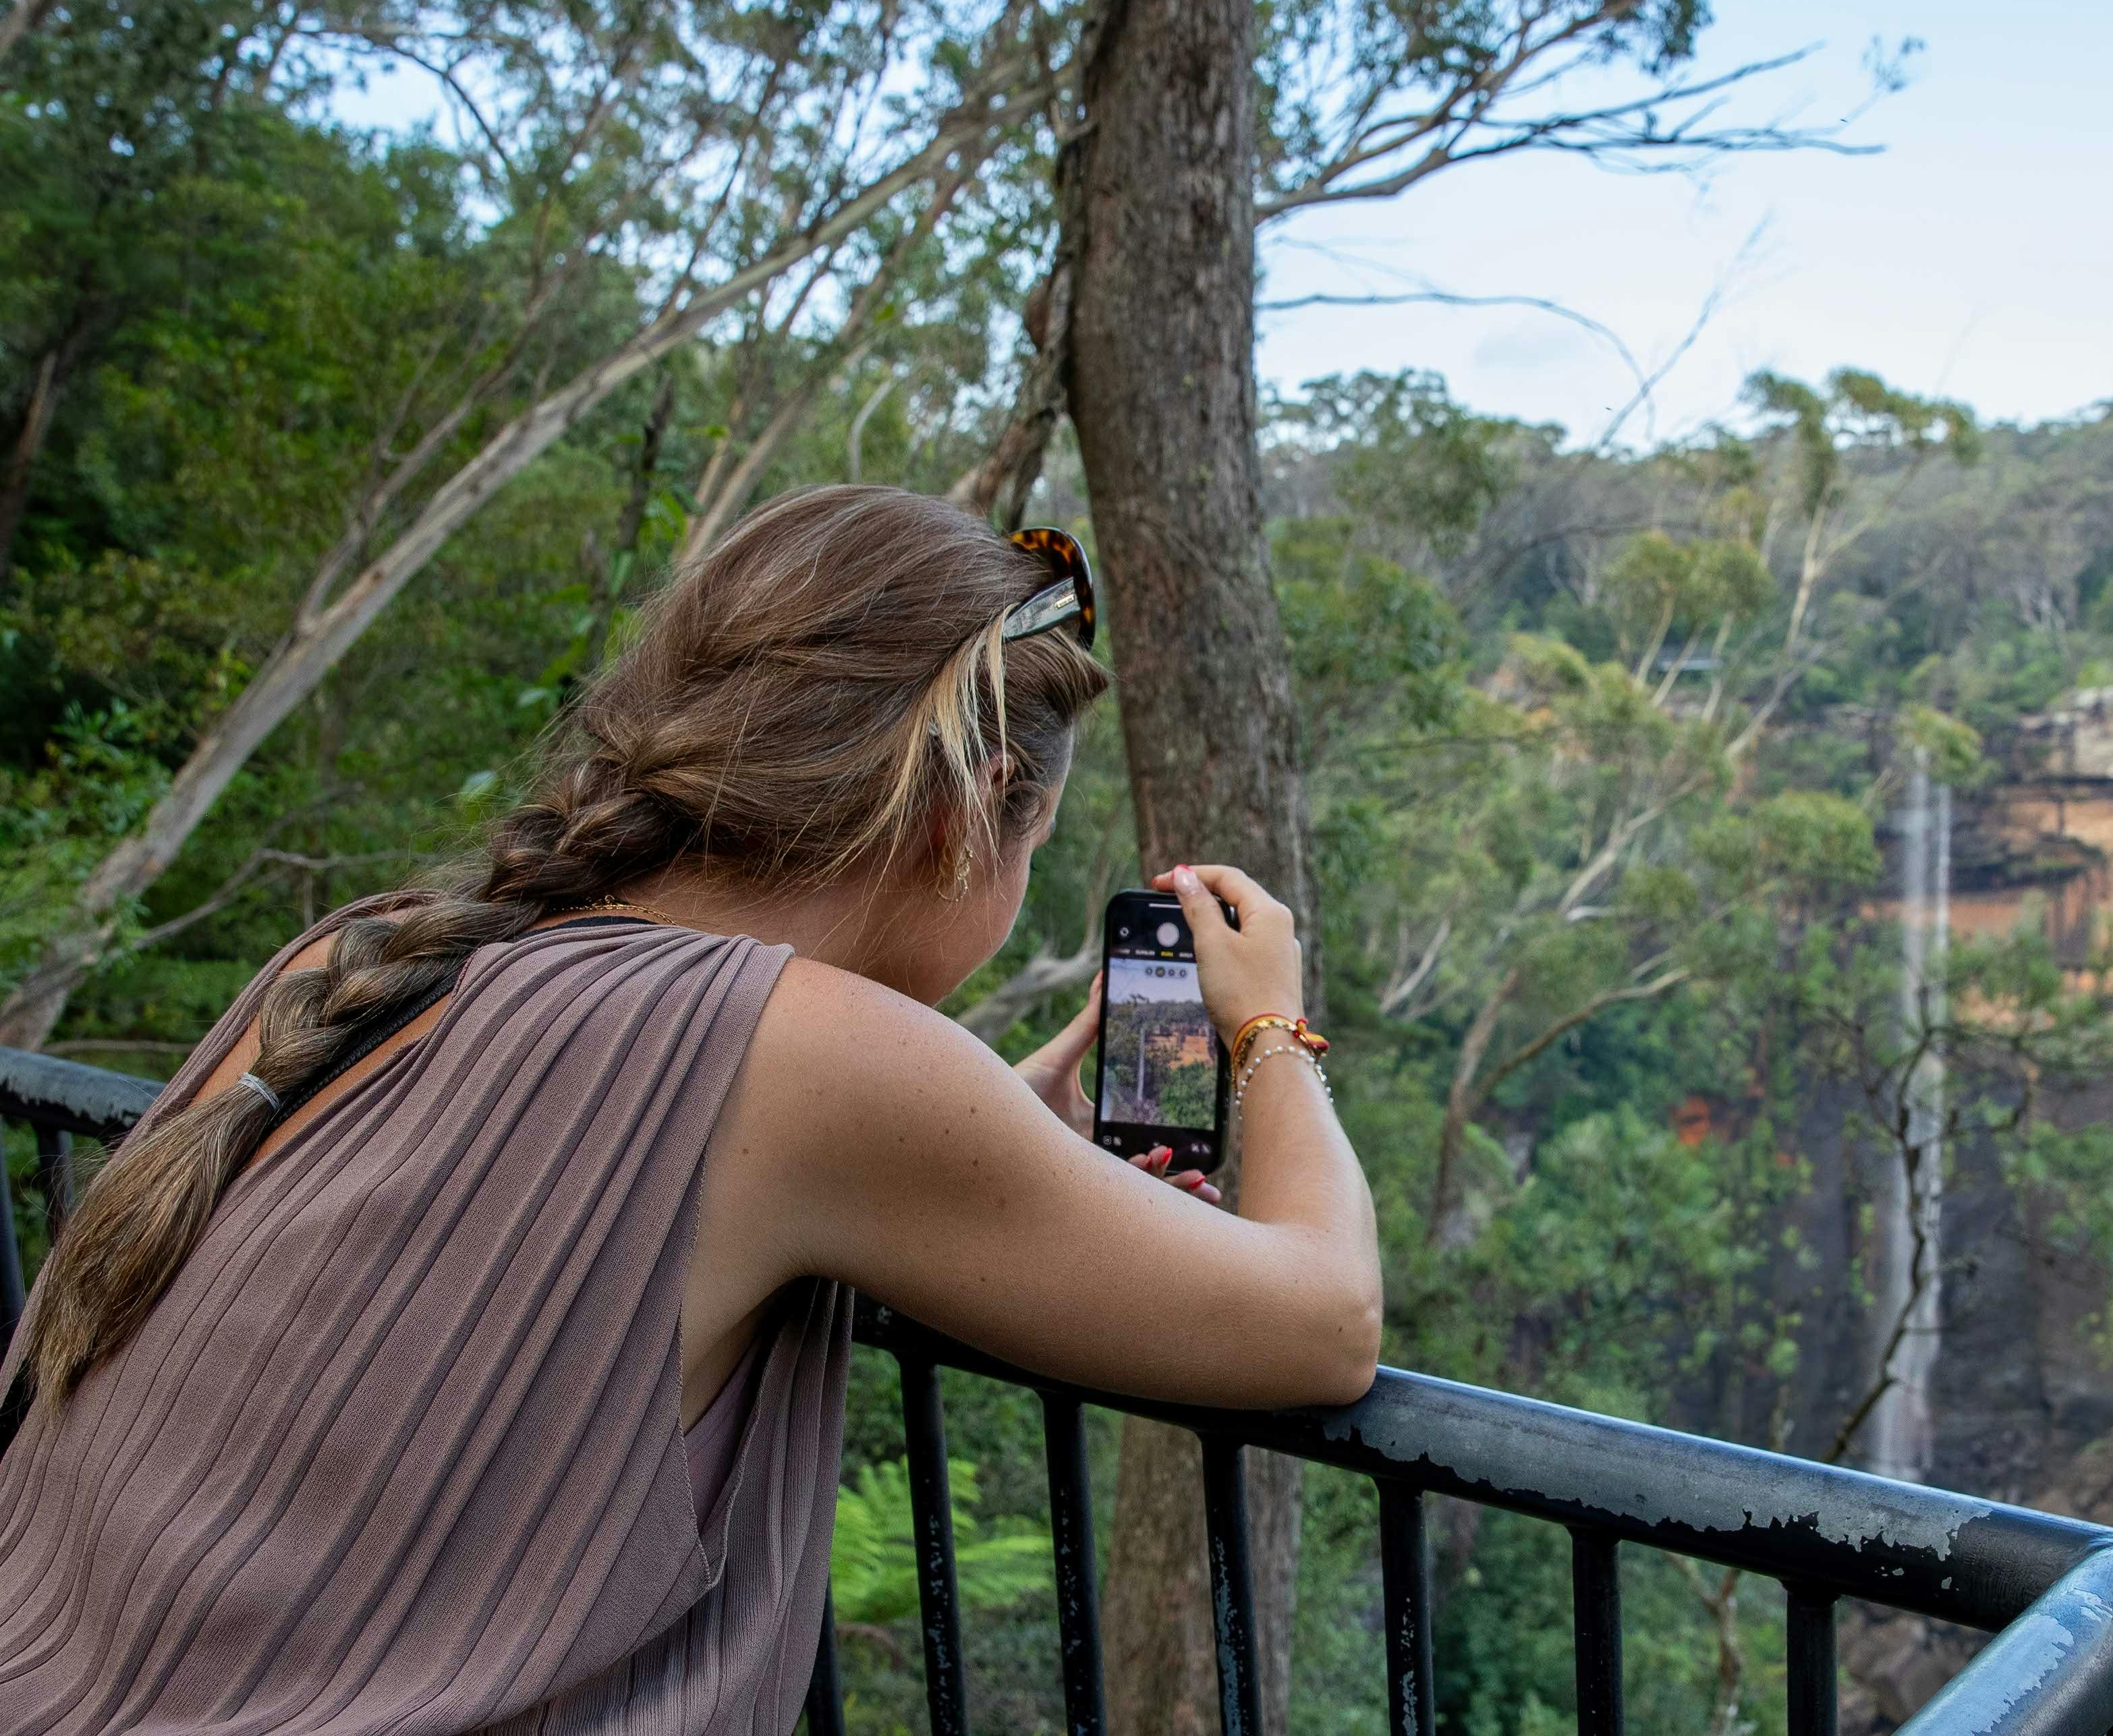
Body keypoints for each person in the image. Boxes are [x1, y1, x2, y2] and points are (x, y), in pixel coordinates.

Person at [0, 485, 1381, 1733]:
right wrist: (1267, 1021)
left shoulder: (368, 951)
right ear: (966, 814)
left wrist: (1001, 1131)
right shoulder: (810, 1057)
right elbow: (1325, 1323)